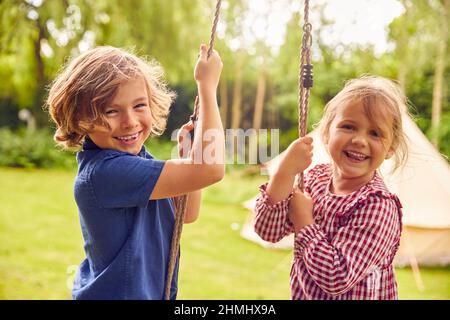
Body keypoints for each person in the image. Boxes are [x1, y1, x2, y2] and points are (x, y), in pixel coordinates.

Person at [46, 44, 224, 299]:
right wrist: (207, 89)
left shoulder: (136, 160)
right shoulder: (106, 173)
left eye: (139, 105)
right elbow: (211, 170)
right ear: (81, 118)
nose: (129, 121)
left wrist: (188, 157)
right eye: (111, 111)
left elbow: (187, 213)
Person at [254, 76, 408, 300]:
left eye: (374, 133)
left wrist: (304, 222)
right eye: (348, 126)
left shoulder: (378, 206)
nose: (359, 140)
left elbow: (337, 277)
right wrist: (284, 172)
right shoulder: (315, 179)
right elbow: (267, 230)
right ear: (326, 132)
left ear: (391, 147)